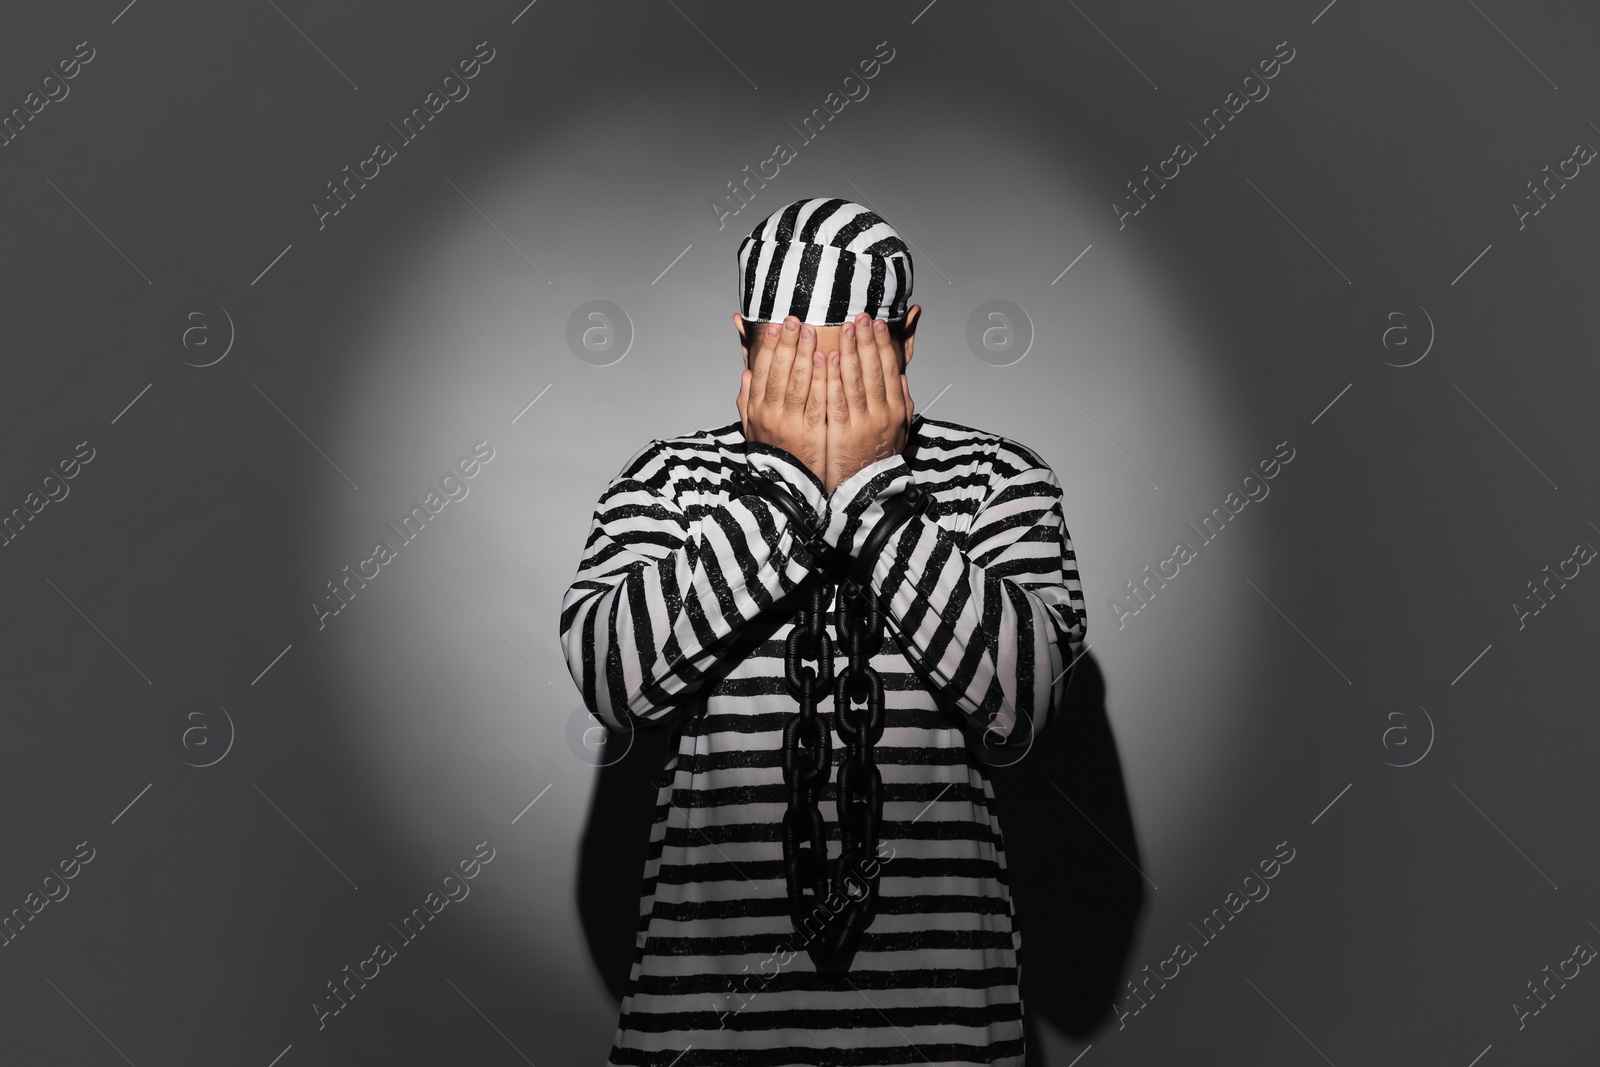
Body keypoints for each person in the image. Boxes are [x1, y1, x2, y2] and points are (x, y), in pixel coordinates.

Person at [560, 196, 1088, 1066]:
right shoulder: (668, 480)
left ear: (907, 336)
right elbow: (611, 681)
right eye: (790, 350)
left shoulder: (999, 479)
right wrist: (784, 489)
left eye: (850, 351)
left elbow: (1026, 701)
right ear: (743, 339)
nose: (821, 383)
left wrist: (874, 493)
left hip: (941, 1037)